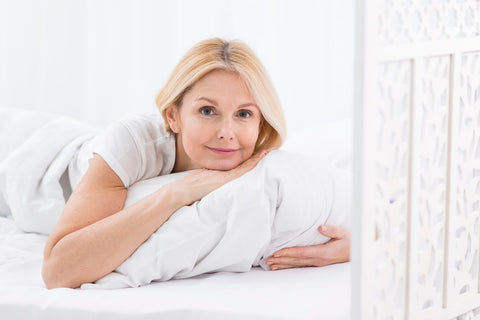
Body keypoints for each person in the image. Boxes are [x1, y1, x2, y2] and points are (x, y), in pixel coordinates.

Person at [41, 38, 350, 289]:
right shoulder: (130, 146)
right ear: (173, 116)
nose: (226, 133)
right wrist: (175, 194)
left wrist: (360, 245)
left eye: (243, 114)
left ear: (261, 124)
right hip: (43, 166)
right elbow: (58, 271)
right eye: (207, 111)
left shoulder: (266, 167)